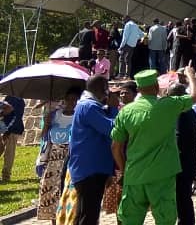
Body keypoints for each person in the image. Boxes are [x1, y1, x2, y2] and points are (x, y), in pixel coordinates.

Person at [111, 68, 196, 225]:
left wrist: (125, 170)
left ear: (138, 89)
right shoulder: (168, 105)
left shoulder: (126, 112)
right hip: (162, 176)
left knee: (130, 220)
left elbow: (116, 147)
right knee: (165, 220)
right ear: (156, 86)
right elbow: (194, 96)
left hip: (134, 176)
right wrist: (191, 76)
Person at [68, 75, 119, 225]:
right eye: (106, 89)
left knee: (86, 213)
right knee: (89, 215)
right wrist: (114, 108)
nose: (107, 93)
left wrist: (109, 108)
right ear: (100, 89)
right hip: (90, 169)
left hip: (93, 168)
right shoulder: (88, 106)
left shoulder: (92, 106)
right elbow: (112, 129)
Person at [35, 87, 80, 220]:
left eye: (74, 99)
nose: (71, 102)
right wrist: (46, 124)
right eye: (69, 99)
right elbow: (44, 136)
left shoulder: (79, 115)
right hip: (53, 158)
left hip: (71, 156)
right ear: (64, 99)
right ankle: (54, 221)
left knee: (68, 192)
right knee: (51, 191)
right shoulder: (54, 115)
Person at [166, 82, 196, 225]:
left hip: (180, 163)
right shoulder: (189, 110)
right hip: (188, 162)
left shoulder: (181, 112)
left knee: (182, 199)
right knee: (183, 198)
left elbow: (179, 138)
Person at [1, 94, 25, 182]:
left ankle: (6, 176)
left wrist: (8, 131)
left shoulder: (17, 101)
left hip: (12, 130)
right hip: (5, 128)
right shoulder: (9, 98)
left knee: (9, 154)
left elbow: (16, 117)